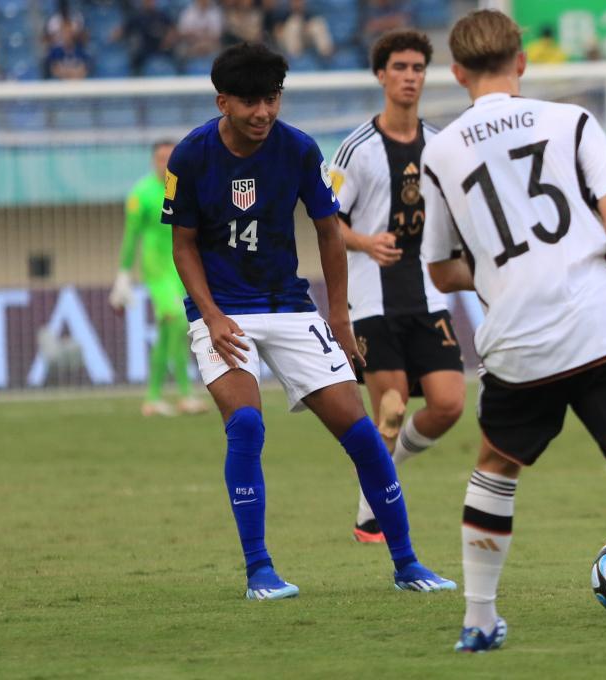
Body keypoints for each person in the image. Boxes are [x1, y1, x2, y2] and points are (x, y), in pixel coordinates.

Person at [421, 9, 606, 652]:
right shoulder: (573, 122)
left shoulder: (438, 151)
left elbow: (442, 270)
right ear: (521, 62)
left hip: (518, 339)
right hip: (602, 324)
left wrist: (503, 275)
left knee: (496, 467)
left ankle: (478, 621)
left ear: (456, 72)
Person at [165, 42, 454, 599]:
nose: (263, 114)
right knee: (247, 425)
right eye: (250, 102)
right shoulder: (191, 155)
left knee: (363, 436)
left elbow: (328, 231)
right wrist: (212, 315)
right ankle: (259, 571)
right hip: (223, 311)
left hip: (290, 307)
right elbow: (184, 247)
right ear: (223, 101)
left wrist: (340, 320)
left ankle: (408, 564)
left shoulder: (298, 149)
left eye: (272, 100)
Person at [329, 29, 465, 544]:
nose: (410, 77)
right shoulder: (355, 150)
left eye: (417, 68)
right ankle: (373, 505)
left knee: (449, 404)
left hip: (428, 293)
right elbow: (327, 223)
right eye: (400, 68)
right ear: (381, 75)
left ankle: (387, 471)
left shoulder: (440, 144)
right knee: (390, 407)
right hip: (370, 297)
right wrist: (364, 242)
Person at [110, 141, 207, 417]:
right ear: (153, 161)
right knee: (176, 321)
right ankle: (186, 394)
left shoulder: (186, 188)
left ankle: (152, 397)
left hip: (180, 270)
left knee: (169, 332)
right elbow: (131, 237)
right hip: (157, 272)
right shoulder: (141, 194)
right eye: (160, 158)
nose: (165, 163)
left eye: (170, 157)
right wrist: (123, 275)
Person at [112, 0, 177, 76]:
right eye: (147, 1)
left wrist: (169, 38)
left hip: (163, 54)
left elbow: (173, 30)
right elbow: (122, 30)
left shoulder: (162, 15)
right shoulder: (138, 16)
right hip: (145, 56)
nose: (149, 2)